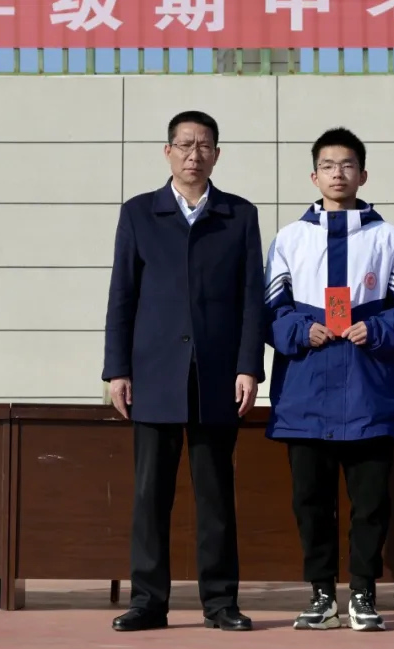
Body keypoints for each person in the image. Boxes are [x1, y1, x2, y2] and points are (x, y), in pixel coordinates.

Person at [264, 127, 394, 631]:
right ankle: (321, 596)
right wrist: (300, 330)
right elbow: (267, 311)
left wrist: (376, 328)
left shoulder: (388, 238)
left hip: (369, 395)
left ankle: (362, 593)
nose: (337, 174)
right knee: (311, 504)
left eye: (347, 166)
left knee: (371, 505)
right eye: (328, 166)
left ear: (363, 174)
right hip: (305, 394)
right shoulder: (290, 239)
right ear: (313, 176)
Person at [103, 110, 264, 632]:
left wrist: (248, 367)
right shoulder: (139, 213)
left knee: (215, 497)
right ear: (167, 151)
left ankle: (220, 603)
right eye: (185, 145)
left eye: (204, 146)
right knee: (150, 496)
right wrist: (117, 369)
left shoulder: (239, 215)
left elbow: (251, 299)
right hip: (153, 374)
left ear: (217, 154)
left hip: (216, 375)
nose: (195, 154)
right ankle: (148, 601)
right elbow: (122, 295)